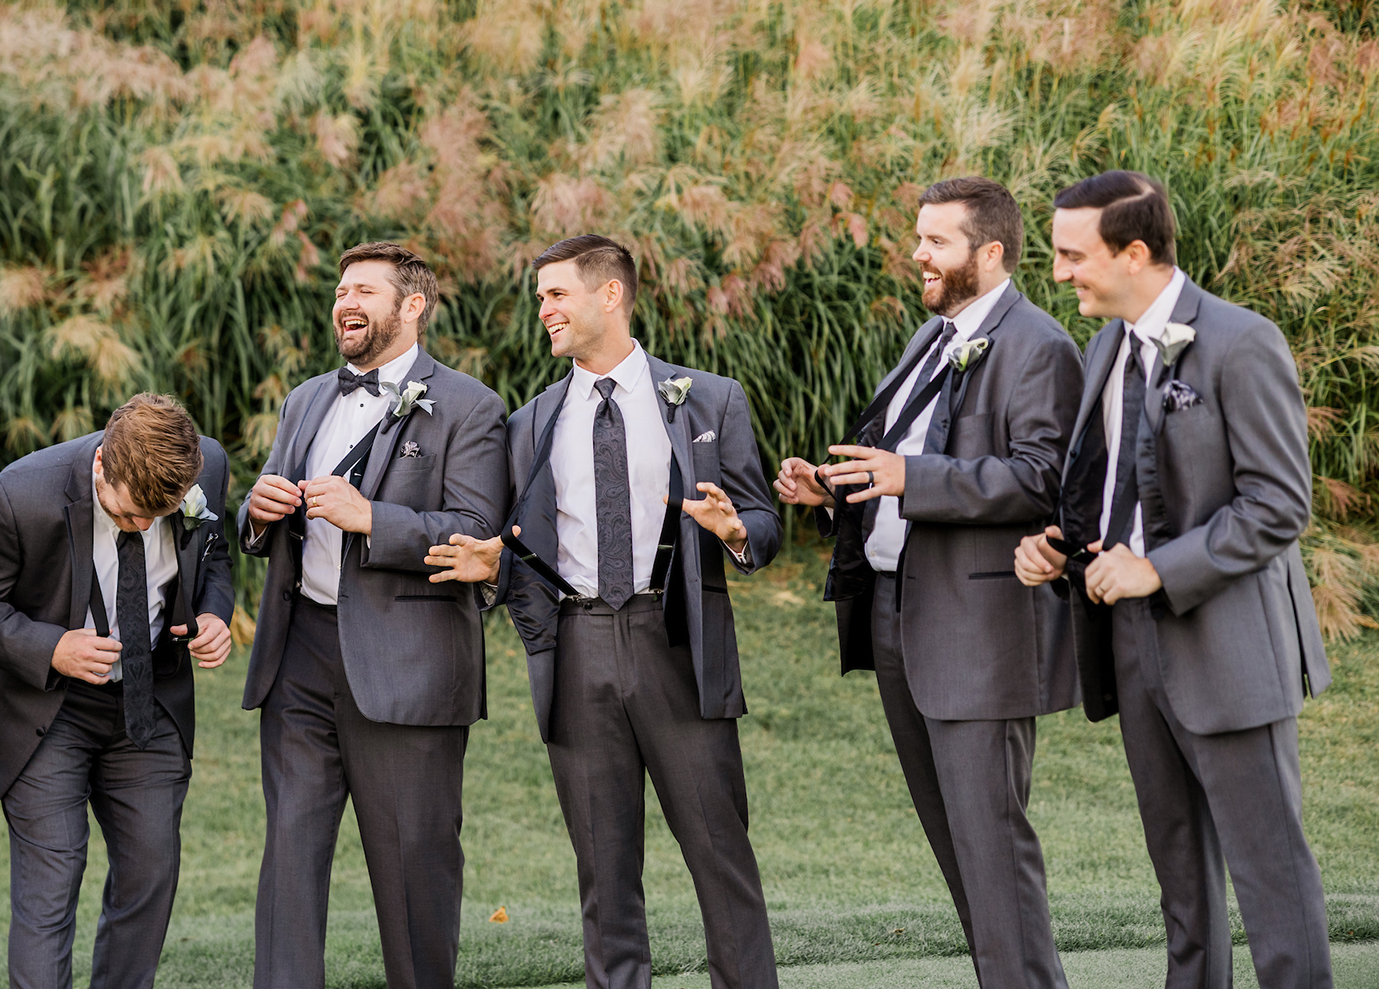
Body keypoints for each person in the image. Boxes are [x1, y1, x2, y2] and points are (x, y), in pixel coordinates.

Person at [428, 234, 781, 989]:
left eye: (557, 294)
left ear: (610, 293)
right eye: (541, 299)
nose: (544, 311)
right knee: (603, 870)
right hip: (577, 650)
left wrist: (736, 530)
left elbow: (762, 518)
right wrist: (496, 566)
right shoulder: (530, 423)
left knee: (721, 855)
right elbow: (521, 546)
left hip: (678, 643)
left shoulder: (709, 398)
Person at [1014, 171, 1333, 989]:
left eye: (1073, 255)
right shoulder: (1104, 347)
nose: (1059, 272)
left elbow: (1278, 504)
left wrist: (1156, 569)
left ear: (1135, 252)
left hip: (1230, 649)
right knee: (1181, 883)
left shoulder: (1242, 341)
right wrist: (1062, 549)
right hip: (1132, 647)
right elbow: (1114, 490)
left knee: (1270, 877)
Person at [775, 177, 1084, 989]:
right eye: (919, 238)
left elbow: (1043, 479)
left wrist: (910, 476)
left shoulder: (1039, 345)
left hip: (980, 627)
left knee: (992, 843)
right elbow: (897, 462)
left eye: (936, 241)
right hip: (898, 615)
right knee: (955, 843)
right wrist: (831, 489)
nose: (917, 253)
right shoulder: (930, 337)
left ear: (990, 251)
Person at [238, 242, 509, 989]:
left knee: (415, 866)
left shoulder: (471, 406)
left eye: (363, 291)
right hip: (298, 656)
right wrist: (257, 513)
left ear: (411, 306)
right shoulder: (304, 400)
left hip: (409, 665)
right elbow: (269, 508)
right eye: (340, 291)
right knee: (289, 862)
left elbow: (477, 533)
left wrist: (372, 519)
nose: (345, 303)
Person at [0, 393, 234, 989]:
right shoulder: (19, 495)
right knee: (52, 881)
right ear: (101, 465)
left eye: (157, 516)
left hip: (148, 701)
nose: (143, 527)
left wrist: (213, 613)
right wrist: (51, 647)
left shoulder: (206, 465)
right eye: (128, 515)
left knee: (151, 872)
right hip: (45, 709)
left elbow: (215, 555)